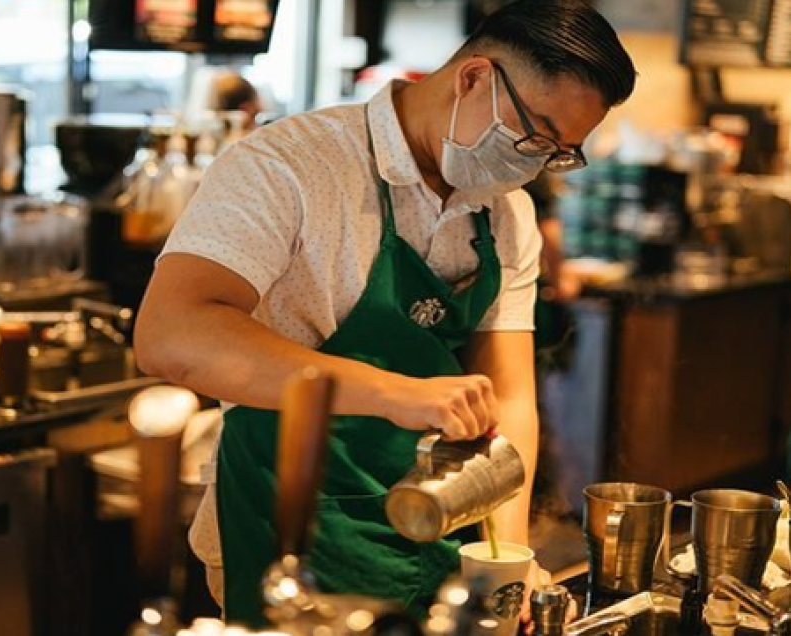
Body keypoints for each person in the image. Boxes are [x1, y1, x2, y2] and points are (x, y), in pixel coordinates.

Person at [134, 0, 636, 626]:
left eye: (559, 152)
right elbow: (170, 334)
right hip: (291, 527)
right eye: (533, 134)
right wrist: (398, 394)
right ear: (474, 76)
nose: (534, 161)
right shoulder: (290, 165)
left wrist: (504, 556)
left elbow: (508, 399)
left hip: (440, 527)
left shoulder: (506, 214)